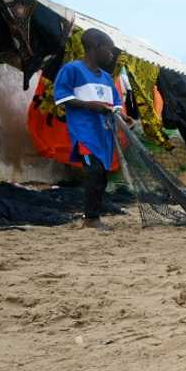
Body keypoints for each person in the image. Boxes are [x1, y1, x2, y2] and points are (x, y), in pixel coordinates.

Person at [53, 28, 133, 231]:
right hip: (85, 133)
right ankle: (91, 218)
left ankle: (94, 216)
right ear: (96, 48)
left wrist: (122, 115)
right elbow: (61, 96)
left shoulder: (107, 78)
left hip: (104, 135)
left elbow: (114, 103)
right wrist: (90, 105)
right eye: (109, 50)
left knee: (102, 176)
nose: (111, 55)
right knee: (94, 173)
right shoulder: (73, 70)